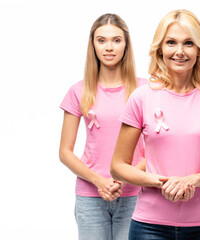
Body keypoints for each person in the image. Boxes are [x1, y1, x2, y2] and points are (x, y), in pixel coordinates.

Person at [110, 9, 200, 240]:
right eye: (171, 42)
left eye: (188, 43)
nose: (179, 51)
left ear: (199, 49)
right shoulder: (141, 98)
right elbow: (118, 166)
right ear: (160, 48)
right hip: (149, 226)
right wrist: (161, 182)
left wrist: (194, 180)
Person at [59, 13, 146, 240]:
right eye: (102, 40)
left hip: (135, 194)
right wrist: (99, 181)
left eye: (116, 40)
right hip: (90, 196)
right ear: (93, 45)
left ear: (126, 45)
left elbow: (157, 147)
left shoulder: (144, 90)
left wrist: (125, 177)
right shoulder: (78, 91)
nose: (109, 47)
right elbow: (65, 152)